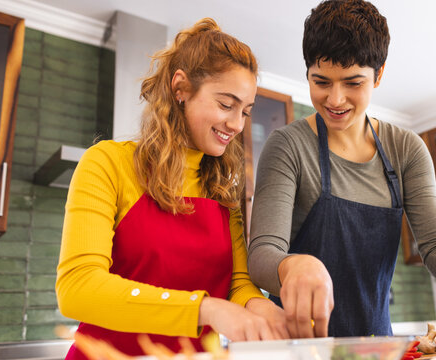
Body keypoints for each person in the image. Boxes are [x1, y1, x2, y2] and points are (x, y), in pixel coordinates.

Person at [247, 0, 436, 339]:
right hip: (298, 345)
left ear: (379, 74)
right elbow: (261, 254)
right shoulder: (287, 146)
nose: (335, 99)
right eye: (321, 82)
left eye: (352, 83)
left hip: (378, 344)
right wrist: (291, 265)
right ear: (307, 73)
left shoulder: (406, 149)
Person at [56, 18, 287, 359]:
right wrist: (204, 309)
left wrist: (265, 312)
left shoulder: (222, 191)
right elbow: (78, 288)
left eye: (246, 111)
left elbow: (238, 284)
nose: (237, 124)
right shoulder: (107, 164)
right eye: (226, 105)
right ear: (181, 87)